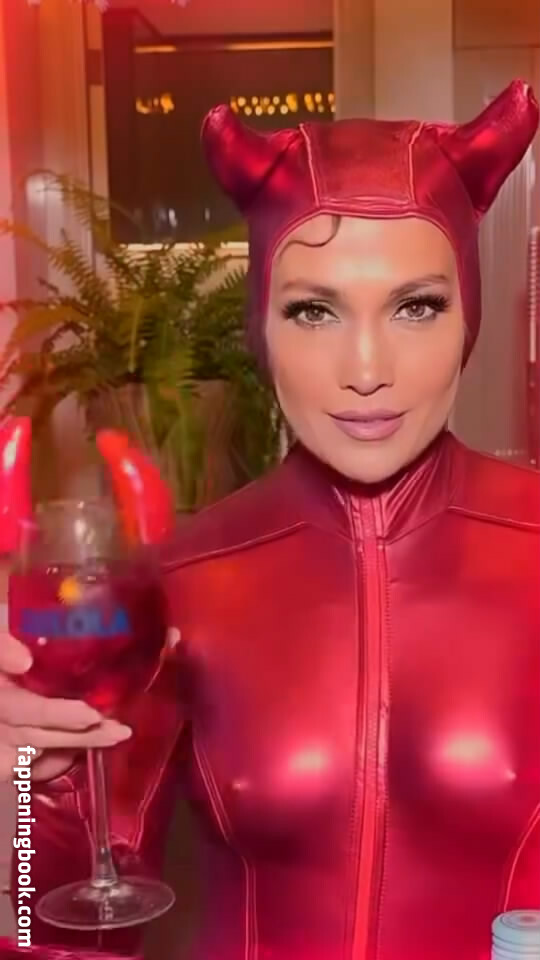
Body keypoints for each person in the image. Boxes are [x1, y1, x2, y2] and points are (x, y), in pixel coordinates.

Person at [0, 79, 539, 960]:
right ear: (261, 324)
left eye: (416, 306)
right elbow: (57, 921)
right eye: (313, 310)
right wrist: (30, 790)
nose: (366, 367)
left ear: (469, 313)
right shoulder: (180, 580)